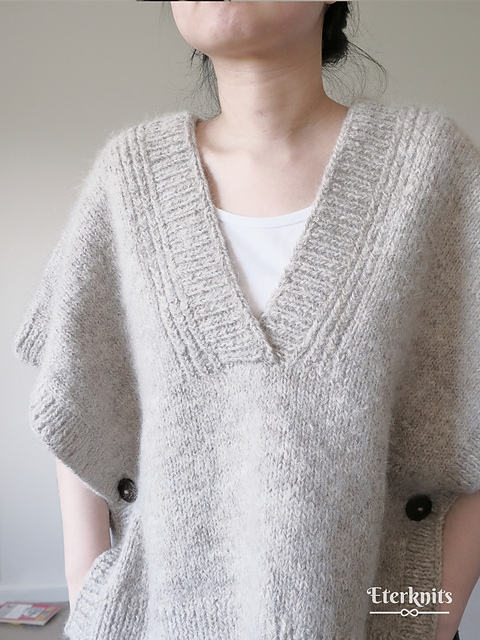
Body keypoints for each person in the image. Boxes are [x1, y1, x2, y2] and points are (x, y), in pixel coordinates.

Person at [14, 2, 480, 639]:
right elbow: (77, 392)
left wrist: (423, 618)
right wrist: (88, 594)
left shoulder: (429, 170)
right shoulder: (129, 178)